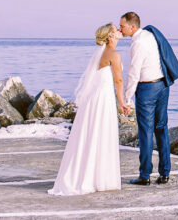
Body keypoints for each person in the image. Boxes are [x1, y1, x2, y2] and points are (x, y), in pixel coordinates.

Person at [48, 23, 126, 196]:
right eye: (116, 29)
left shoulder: (100, 54)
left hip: (95, 99)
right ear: (110, 36)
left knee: (93, 135)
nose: (120, 30)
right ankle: (100, 178)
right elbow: (118, 81)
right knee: (102, 133)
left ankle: (91, 176)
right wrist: (123, 102)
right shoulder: (114, 54)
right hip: (103, 100)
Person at [120, 11, 178, 185]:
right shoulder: (150, 35)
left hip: (147, 87)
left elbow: (133, 73)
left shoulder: (137, 43)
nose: (120, 29)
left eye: (122, 26)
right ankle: (165, 173)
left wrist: (126, 99)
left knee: (146, 132)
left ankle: (145, 175)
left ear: (132, 26)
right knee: (161, 128)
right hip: (162, 85)